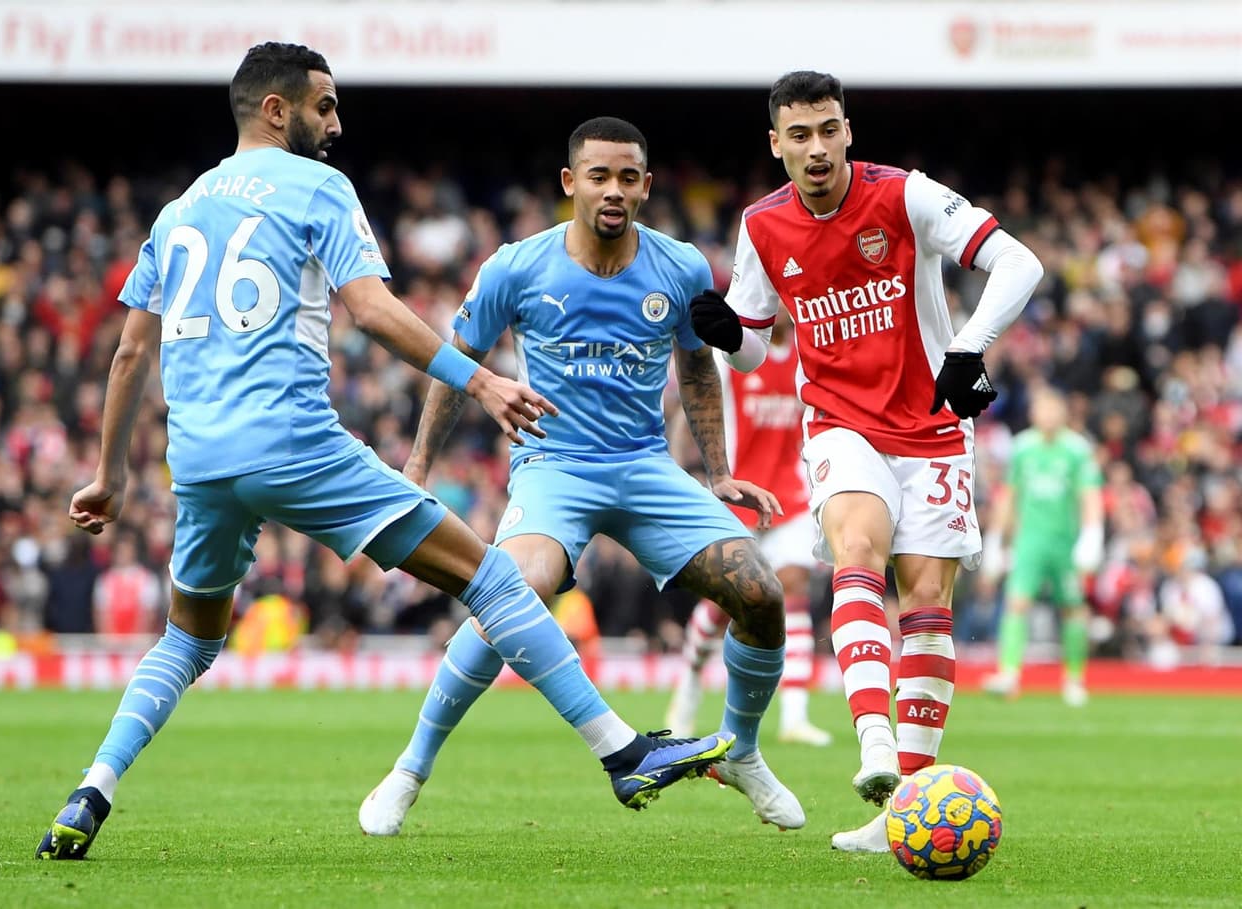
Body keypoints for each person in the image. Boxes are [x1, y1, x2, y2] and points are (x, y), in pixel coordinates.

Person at [35, 44, 732, 861]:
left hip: (197, 457)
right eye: (324, 106)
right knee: (494, 576)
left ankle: (92, 788)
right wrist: (477, 382)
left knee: (187, 637)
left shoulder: (179, 209)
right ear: (275, 110)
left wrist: (111, 473)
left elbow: (127, 355)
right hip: (293, 442)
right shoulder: (320, 187)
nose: (337, 123)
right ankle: (623, 751)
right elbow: (369, 308)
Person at [359, 116, 804, 838]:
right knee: (510, 588)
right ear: (571, 183)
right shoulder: (516, 267)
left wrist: (718, 472)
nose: (614, 190)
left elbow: (696, 364)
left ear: (647, 186)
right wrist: (415, 467)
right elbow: (455, 364)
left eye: (629, 177)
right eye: (599, 175)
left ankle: (743, 752)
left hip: (645, 466)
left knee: (759, 590)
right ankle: (410, 766)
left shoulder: (681, 266)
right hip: (554, 468)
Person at [689, 71, 1044, 853]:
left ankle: (901, 813)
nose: (816, 149)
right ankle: (874, 738)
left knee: (924, 597)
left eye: (828, 129)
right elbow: (752, 351)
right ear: (775, 143)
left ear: (848, 129)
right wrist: (726, 330)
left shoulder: (906, 196)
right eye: (799, 135)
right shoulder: (762, 226)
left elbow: (1020, 264)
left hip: (932, 424)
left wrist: (966, 348)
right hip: (839, 420)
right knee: (856, 548)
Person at [665, 311, 834, 747]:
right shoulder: (729, 357)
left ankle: (794, 715)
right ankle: (689, 686)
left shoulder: (807, 355)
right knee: (726, 603)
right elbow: (694, 401)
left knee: (793, 589)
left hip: (790, 498)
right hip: (736, 495)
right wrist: (683, 462)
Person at [981, 385, 1105, 705]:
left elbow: (1089, 495)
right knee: (1017, 603)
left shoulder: (1078, 450)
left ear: (1063, 413)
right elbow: (1008, 496)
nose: (1048, 415)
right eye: (1042, 408)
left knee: (1073, 607)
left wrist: (1092, 535)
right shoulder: (1022, 448)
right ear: (1034, 413)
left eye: (1053, 409)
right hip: (1029, 541)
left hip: (1065, 542)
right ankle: (1009, 674)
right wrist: (997, 539)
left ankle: (1074, 679)